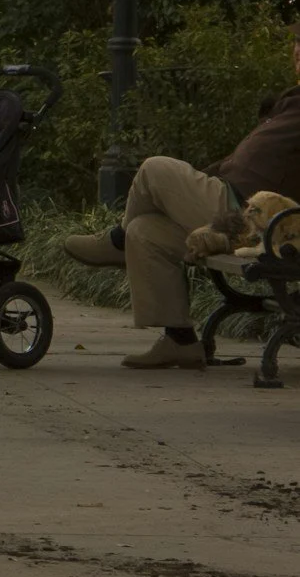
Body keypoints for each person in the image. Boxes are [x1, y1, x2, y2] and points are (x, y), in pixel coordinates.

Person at [63, 21, 300, 368]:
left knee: (155, 168)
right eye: (296, 40)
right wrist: (198, 179)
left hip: (253, 214)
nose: (297, 48)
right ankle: (180, 341)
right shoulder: (291, 102)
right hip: (231, 212)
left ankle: (115, 241)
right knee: (145, 230)